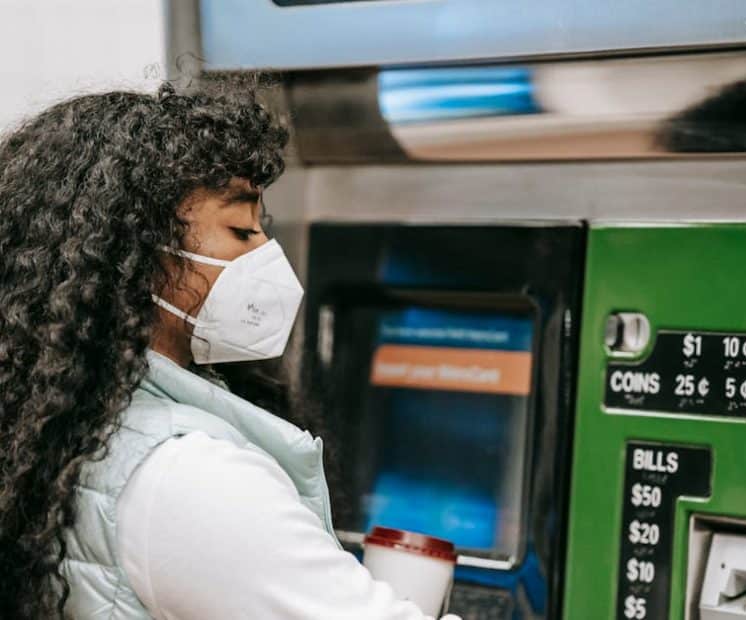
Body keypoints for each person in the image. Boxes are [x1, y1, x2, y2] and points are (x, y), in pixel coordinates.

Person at [0, 79, 459, 620]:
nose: (268, 254)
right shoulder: (188, 473)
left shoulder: (61, 427)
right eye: (241, 229)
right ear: (141, 250)